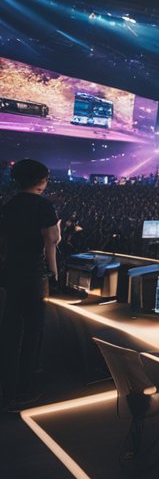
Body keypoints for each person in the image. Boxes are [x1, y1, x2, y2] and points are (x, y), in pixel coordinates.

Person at [0, 159, 60, 410]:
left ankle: (7, 389)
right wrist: (54, 273)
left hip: (9, 274)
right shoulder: (44, 206)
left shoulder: (9, 205)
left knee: (11, 332)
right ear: (42, 181)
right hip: (34, 276)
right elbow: (51, 242)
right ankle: (25, 389)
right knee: (33, 332)